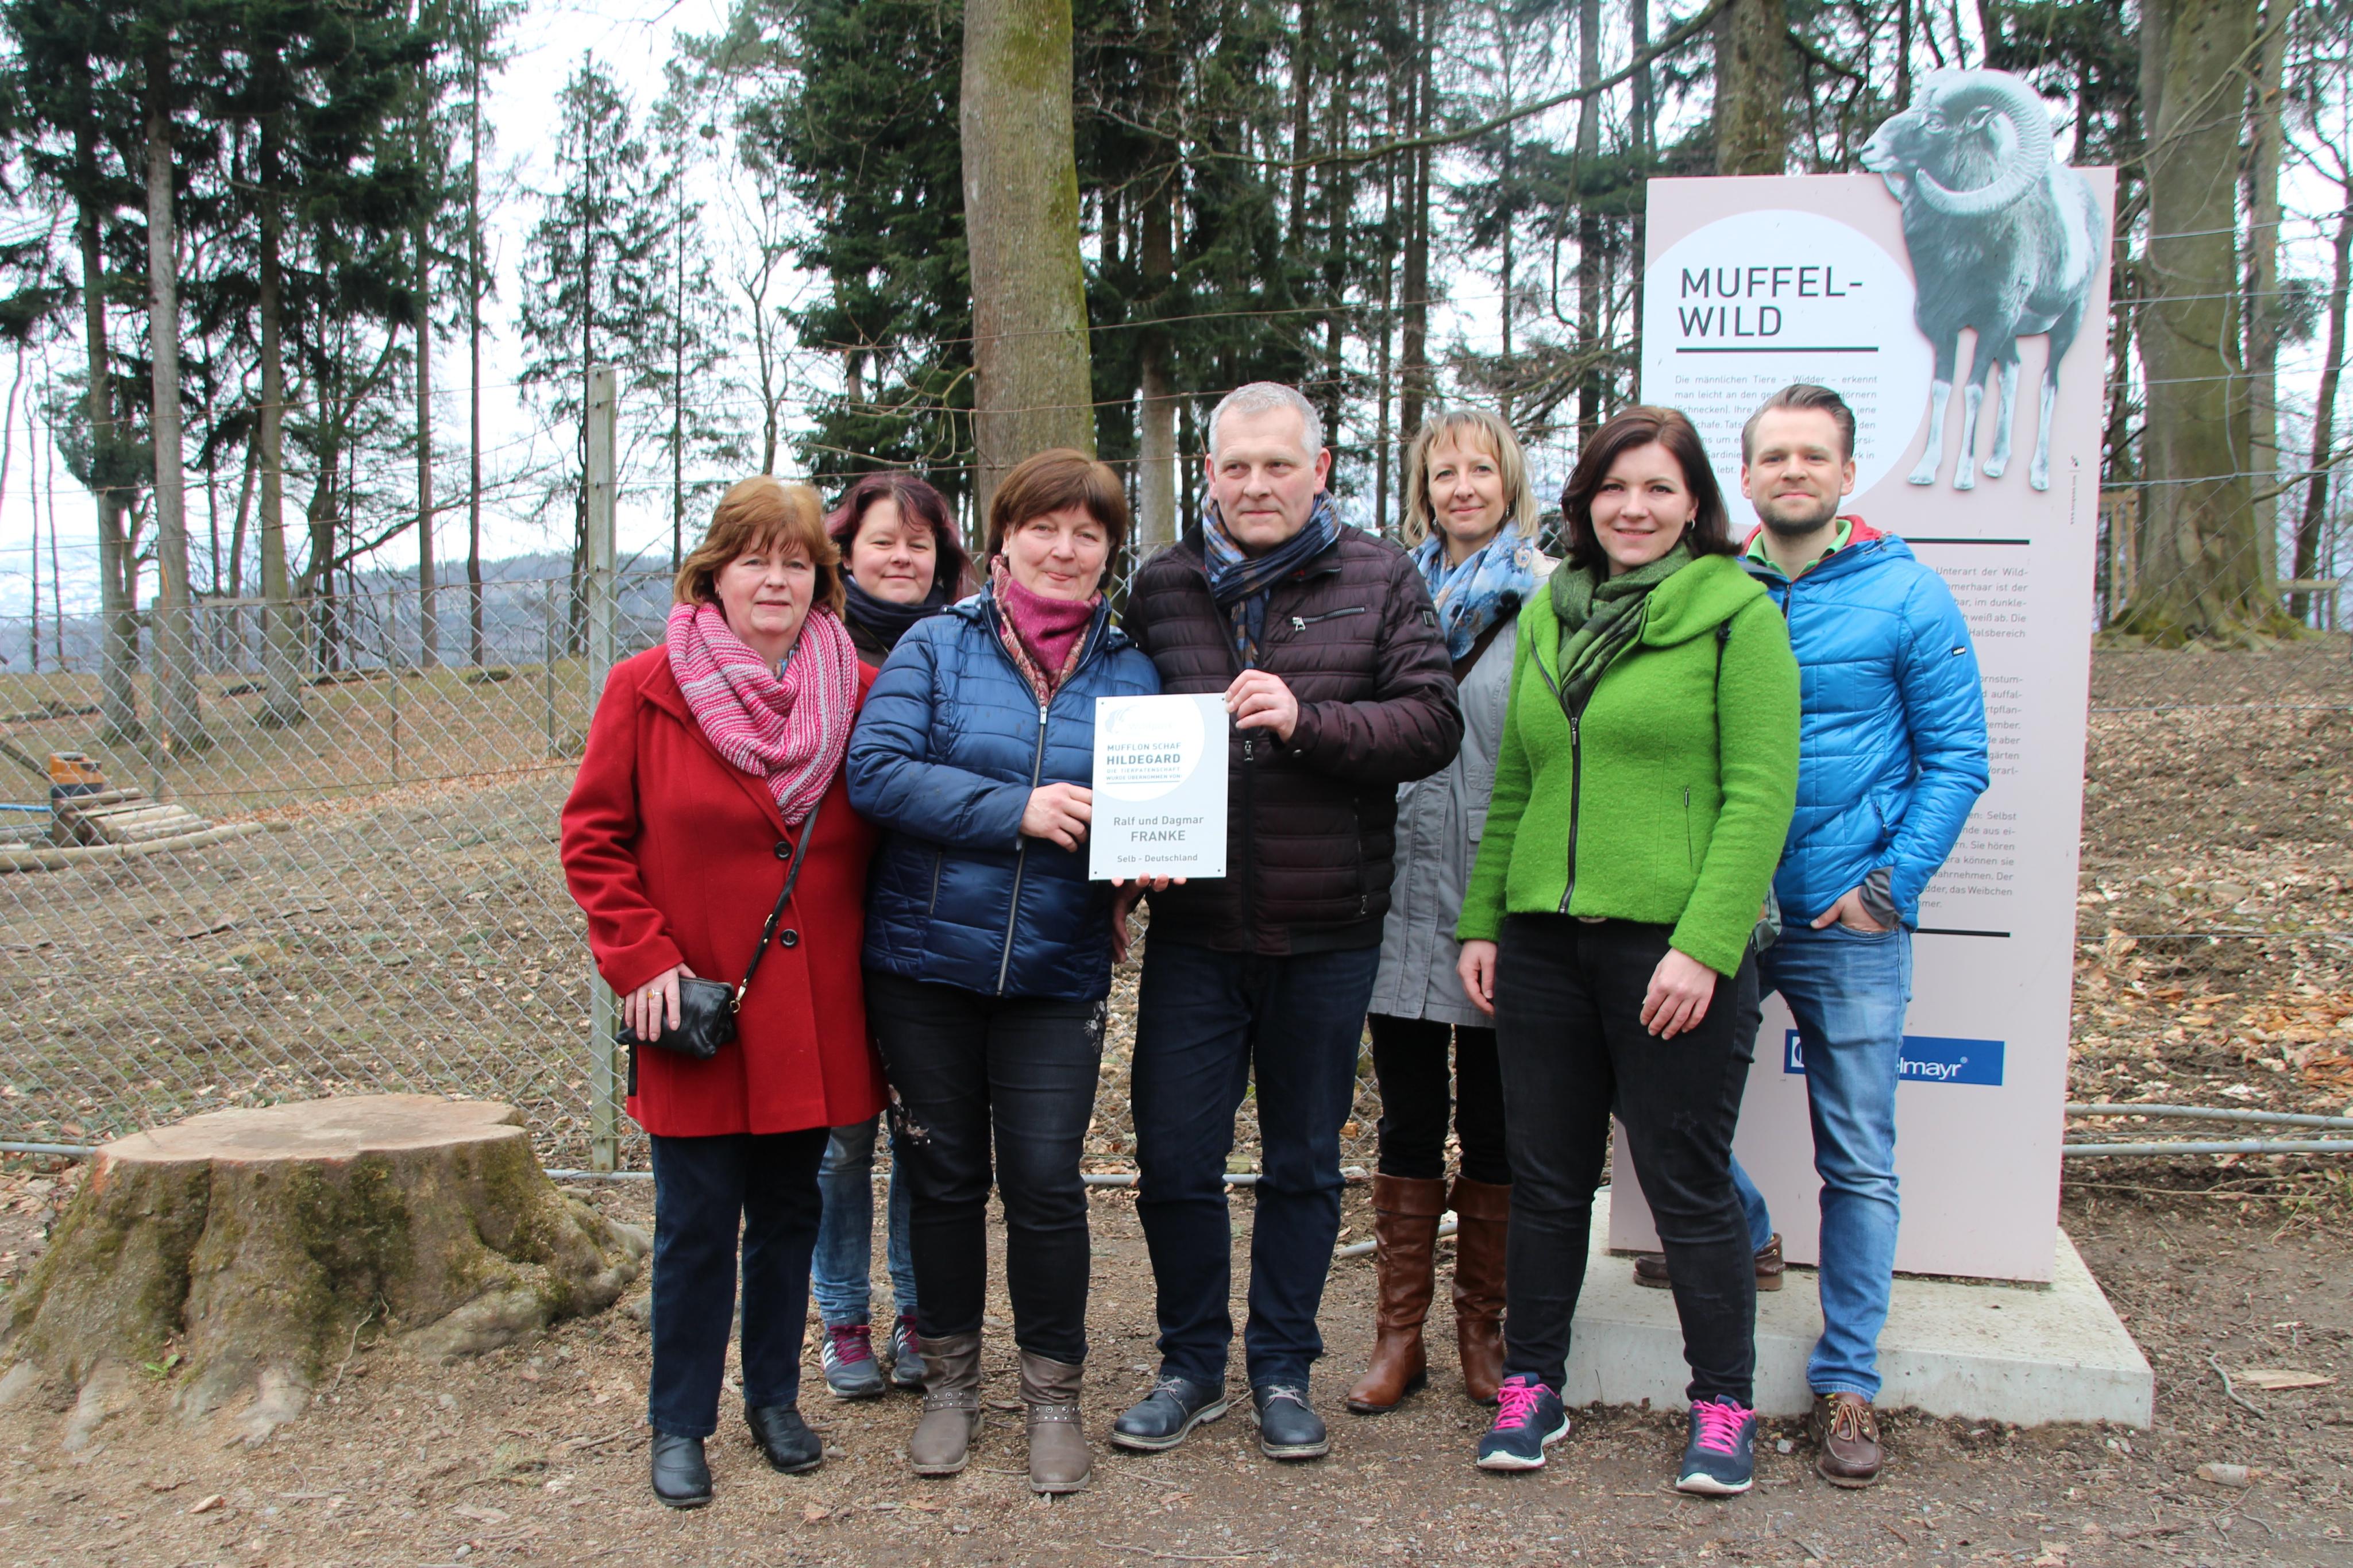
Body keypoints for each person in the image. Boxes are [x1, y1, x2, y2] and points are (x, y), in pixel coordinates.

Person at [1629, 384, 1988, 1489]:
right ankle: (1748, 1231)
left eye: (1813, 455)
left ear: (1846, 474)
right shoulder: (1704, 588)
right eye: (1774, 455)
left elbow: (1958, 758)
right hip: (1721, 910)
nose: (1793, 470)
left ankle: (1847, 1379)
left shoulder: (1907, 593)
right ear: (1745, 477)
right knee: (1652, 1097)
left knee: (1859, 1155)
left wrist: (1889, 887)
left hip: (1844, 918)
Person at [1112, 382, 1463, 1465]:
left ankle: (1281, 1368)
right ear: (1208, 473)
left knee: (1304, 1162)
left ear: (1320, 469)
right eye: (1237, 465)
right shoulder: (1162, 585)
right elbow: (1115, 728)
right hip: (1196, 930)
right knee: (1175, 1158)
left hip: (1327, 928)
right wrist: (1122, 862)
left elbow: (1432, 721)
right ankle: (1188, 1365)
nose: (1256, 484)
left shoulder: (1378, 574)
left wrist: (1309, 720)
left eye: (1278, 464)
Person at [1453, 405, 1797, 1494]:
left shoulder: (1737, 615)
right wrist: (1486, 920)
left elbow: (1760, 796)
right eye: (1613, 487)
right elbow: (1518, 780)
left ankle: (1724, 1403)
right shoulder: (1549, 613)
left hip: (1672, 948)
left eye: (1658, 488)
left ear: (1695, 503)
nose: (1633, 508)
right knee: (1548, 1178)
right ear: (1584, 502)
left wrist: (1704, 946)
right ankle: (1533, 1385)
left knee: (1685, 1178)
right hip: (1545, 943)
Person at [561, 476, 882, 1509]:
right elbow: (593, 839)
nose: (776, 580)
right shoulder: (646, 686)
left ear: (821, 580)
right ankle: (679, 1421)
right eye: (755, 561)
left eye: (797, 562)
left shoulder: (861, 689)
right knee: (695, 1225)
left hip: (814, 1010)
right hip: (696, 1007)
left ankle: (774, 1399)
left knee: (791, 1213)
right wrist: (639, 957)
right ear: (715, 575)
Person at [845, 448, 1161, 1494]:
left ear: (1110, 550)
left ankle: (1053, 1397)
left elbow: (1146, 807)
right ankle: (949, 1386)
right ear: (1003, 540)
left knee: (1046, 1184)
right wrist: (1015, 810)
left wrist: (1146, 861)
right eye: (1043, 529)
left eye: (1088, 533)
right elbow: (876, 773)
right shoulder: (938, 644)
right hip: (924, 964)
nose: (1064, 550)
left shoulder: (1134, 669)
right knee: (943, 1178)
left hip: (1058, 970)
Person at [1350, 408, 1552, 1415]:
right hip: (1397, 890)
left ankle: (1484, 1325)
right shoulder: (1393, 595)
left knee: (1498, 1122)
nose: (1462, 487)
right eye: (1443, 473)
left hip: (1499, 891)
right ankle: (1400, 1335)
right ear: (1422, 490)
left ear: (1510, 479)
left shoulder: (1549, 597)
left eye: (1480, 469)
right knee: (1410, 1117)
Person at [809, 472, 973, 1399]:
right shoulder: (814, 647)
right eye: (883, 541)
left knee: (925, 1130)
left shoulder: (970, 645)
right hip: (831, 921)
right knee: (841, 1138)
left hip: (931, 923)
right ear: (846, 552)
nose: (903, 558)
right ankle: (841, 1314)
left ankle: (920, 1308)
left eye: (920, 544)